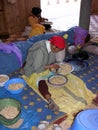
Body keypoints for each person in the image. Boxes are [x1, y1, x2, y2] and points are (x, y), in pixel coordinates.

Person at [24, 36, 67, 111]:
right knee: (41, 81)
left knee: (56, 74)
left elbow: (50, 60)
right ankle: (50, 100)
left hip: (44, 67)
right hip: (32, 70)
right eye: (57, 50)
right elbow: (37, 68)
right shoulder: (40, 51)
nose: (57, 52)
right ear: (53, 46)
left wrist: (53, 66)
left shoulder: (51, 47)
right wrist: (51, 66)